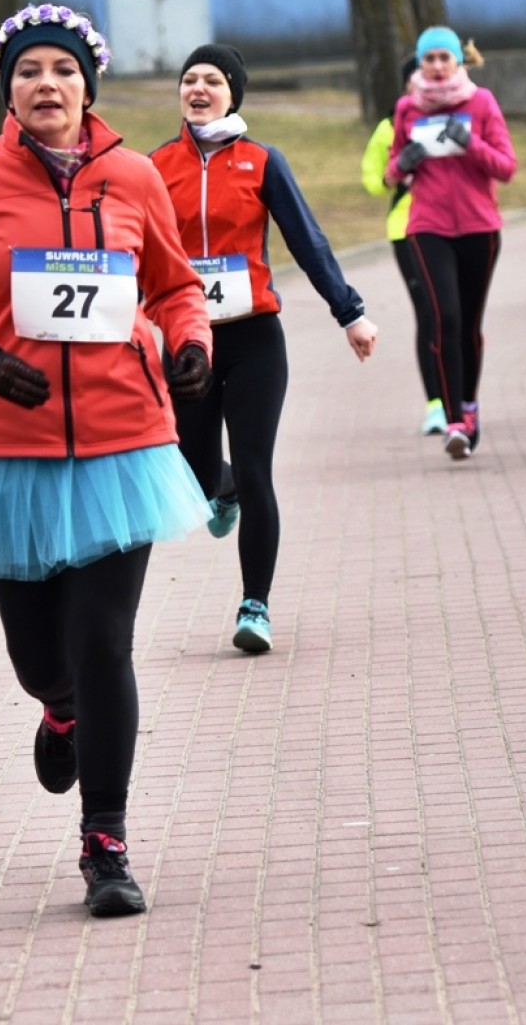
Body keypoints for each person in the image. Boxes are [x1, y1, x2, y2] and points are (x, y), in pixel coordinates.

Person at [0, 3, 215, 918]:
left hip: (124, 442)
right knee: (40, 658)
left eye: (64, 70)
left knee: (104, 641)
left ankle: (105, 841)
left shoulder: (134, 177)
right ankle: (57, 708)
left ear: (88, 86)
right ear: (9, 89)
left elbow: (175, 286)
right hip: (9, 451)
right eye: (30, 70)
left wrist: (191, 341)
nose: (48, 84)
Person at [150, 43, 378, 654]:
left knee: (256, 470)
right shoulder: (155, 166)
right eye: (189, 79)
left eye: (212, 80)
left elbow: (307, 240)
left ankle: (256, 605)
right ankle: (219, 487)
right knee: (193, 472)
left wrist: (350, 313)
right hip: (188, 343)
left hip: (254, 337)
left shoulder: (261, 162)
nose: (198, 89)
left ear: (233, 93)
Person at [387, 26, 517, 462]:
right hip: (428, 227)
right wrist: (402, 165)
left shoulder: (481, 103)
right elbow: (391, 171)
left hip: (480, 227)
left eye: (445, 57)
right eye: (430, 59)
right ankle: (454, 421)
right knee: (446, 317)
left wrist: (471, 144)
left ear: (459, 61)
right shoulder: (407, 108)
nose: (438, 66)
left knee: (469, 325)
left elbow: (506, 167)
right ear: (420, 64)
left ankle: (469, 404)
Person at [361, 54, 446, 436]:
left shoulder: (451, 118)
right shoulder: (388, 128)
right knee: (429, 312)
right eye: (415, 77)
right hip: (407, 230)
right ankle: (436, 404)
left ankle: (461, 396)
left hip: (451, 227)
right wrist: (395, 172)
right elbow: (372, 181)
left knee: (454, 314)